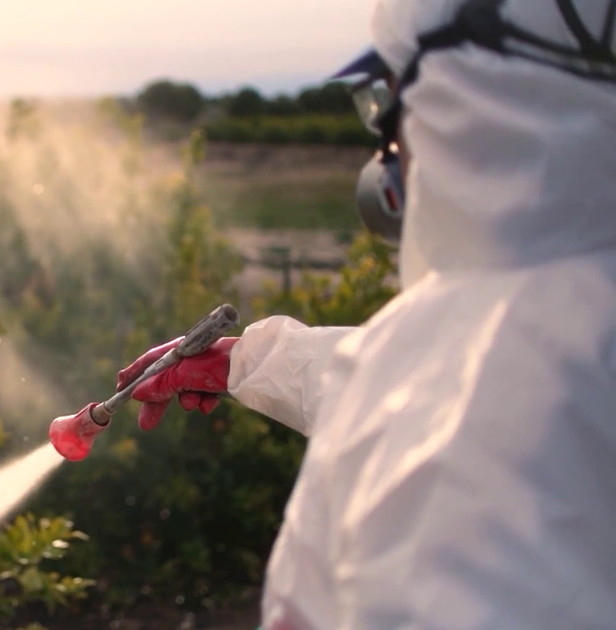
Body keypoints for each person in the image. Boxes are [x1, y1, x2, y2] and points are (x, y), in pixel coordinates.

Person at [117, 0, 616, 628]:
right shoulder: (543, 329)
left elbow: (449, 404)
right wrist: (247, 363)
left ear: (459, 103)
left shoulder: (458, 458)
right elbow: (430, 380)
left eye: (382, 102)